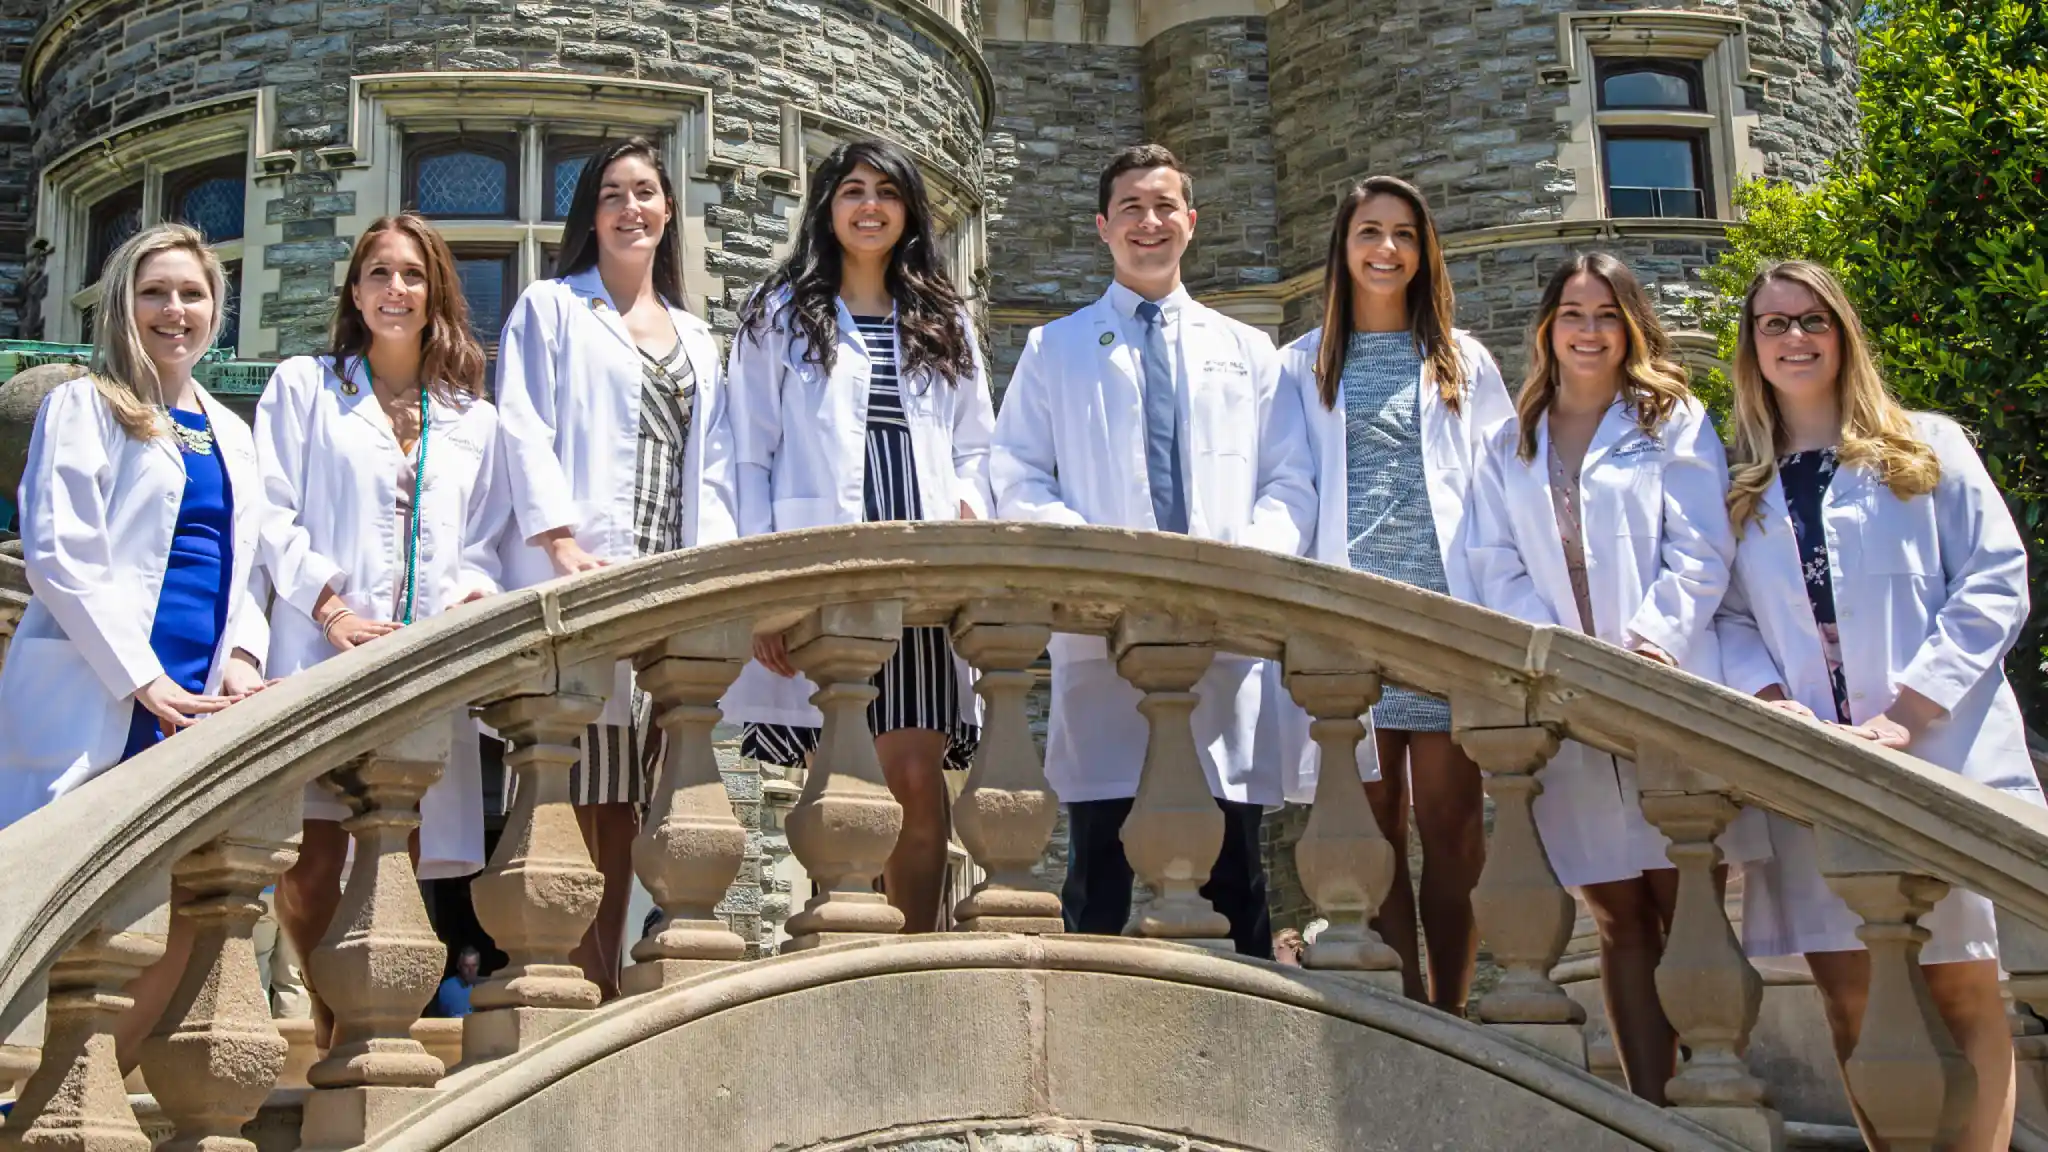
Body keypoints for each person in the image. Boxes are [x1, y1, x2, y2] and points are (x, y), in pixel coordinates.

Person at [1715, 260, 2039, 1151]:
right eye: (1774, 323)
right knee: (1847, 991)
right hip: (1814, 767)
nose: (1794, 337)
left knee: (1964, 985)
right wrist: (1771, 698)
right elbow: (1730, 618)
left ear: (1842, 333)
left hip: (1937, 753)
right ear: (1752, 347)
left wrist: (1911, 709)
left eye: (1812, 320)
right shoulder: (1743, 485)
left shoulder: (1925, 446)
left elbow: (1994, 583)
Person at [989, 143, 1316, 958]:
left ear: (1191, 224)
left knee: (1237, 870)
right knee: (1099, 867)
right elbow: (1019, 475)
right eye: (1131, 207)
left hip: (1226, 631)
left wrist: (1244, 561)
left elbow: (1288, 484)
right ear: (1103, 227)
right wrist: (1092, 558)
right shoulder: (1055, 349)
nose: (1149, 222)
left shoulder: (1247, 353)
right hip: (1105, 634)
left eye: (1165, 206)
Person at [1467, 252, 1764, 1102]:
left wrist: (1646, 645)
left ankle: (1718, 1095)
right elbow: (1492, 560)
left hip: (1660, 683)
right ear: (1546, 327)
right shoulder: (1511, 438)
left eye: (1605, 314)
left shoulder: (1669, 420)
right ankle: (1649, 1109)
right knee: (1616, 918)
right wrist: (1565, 654)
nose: (1588, 331)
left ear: (1630, 326)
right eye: (1572, 313)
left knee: (1687, 906)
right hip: (1567, 703)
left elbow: (1702, 552)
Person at [0, 222, 272, 1065]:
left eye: (192, 293)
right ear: (123, 302)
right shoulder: (85, 405)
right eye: (154, 292)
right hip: (103, 686)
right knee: (63, 896)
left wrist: (243, 661)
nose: (174, 310)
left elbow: (243, 568)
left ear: (216, 309)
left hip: (199, 698)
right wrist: (144, 677)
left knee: (188, 905)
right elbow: (60, 552)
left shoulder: (230, 430)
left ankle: (87, 1084)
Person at [721, 138, 993, 934]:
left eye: (885, 191)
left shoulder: (945, 318)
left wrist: (970, 510)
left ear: (907, 210)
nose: (868, 205)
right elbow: (749, 452)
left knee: (914, 776)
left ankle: (909, 953)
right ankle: (848, 947)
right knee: (843, 781)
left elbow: (978, 445)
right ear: (827, 207)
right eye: (852, 190)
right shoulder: (779, 314)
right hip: (826, 565)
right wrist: (767, 593)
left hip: (924, 570)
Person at [495, 136, 738, 998]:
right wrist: (557, 537)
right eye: (612, 194)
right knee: (589, 791)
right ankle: (582, 985)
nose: (631, 208)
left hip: (673, 585)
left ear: (670, 211)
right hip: (593, 578)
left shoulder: (701, 339)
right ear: (590, 217)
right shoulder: (553, 308)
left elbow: (718, 468)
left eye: (646, 192)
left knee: (661, 790)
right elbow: (521, 426)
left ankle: (645, 983)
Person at [255, 214, 508, 1043]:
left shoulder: (472, 417)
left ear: (434, 292)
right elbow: (271, 513)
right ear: (355, 291)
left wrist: (470, 595)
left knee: (390, 851)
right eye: (377, 273)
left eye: (410, 275)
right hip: (323, 649)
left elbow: (485, 540)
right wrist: (328, 608)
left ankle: (372, 1026)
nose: (394, 290)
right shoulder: (307, 388)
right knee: (312, 859)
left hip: (421, 665)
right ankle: (332, 1020)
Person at [1274, 175, 1512, 1011]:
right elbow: (1290, 488)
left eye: (1403, 234)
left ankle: (1452, 1011)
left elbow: (1500, 493)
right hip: (1352, 628)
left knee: (1453, 830)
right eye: (1369, 232)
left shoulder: (1464, 360)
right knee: (1370, 835)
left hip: (1445, 622)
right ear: (1343, 248)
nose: (1387, 250)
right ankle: (1407, 1016)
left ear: (1424, 250)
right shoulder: (1300, 365)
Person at [425, 945, 482, 1019]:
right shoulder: (447, 988)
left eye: (474, 966)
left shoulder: (485, 986)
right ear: (459, 966)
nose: (471, 970)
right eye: (466, 966)